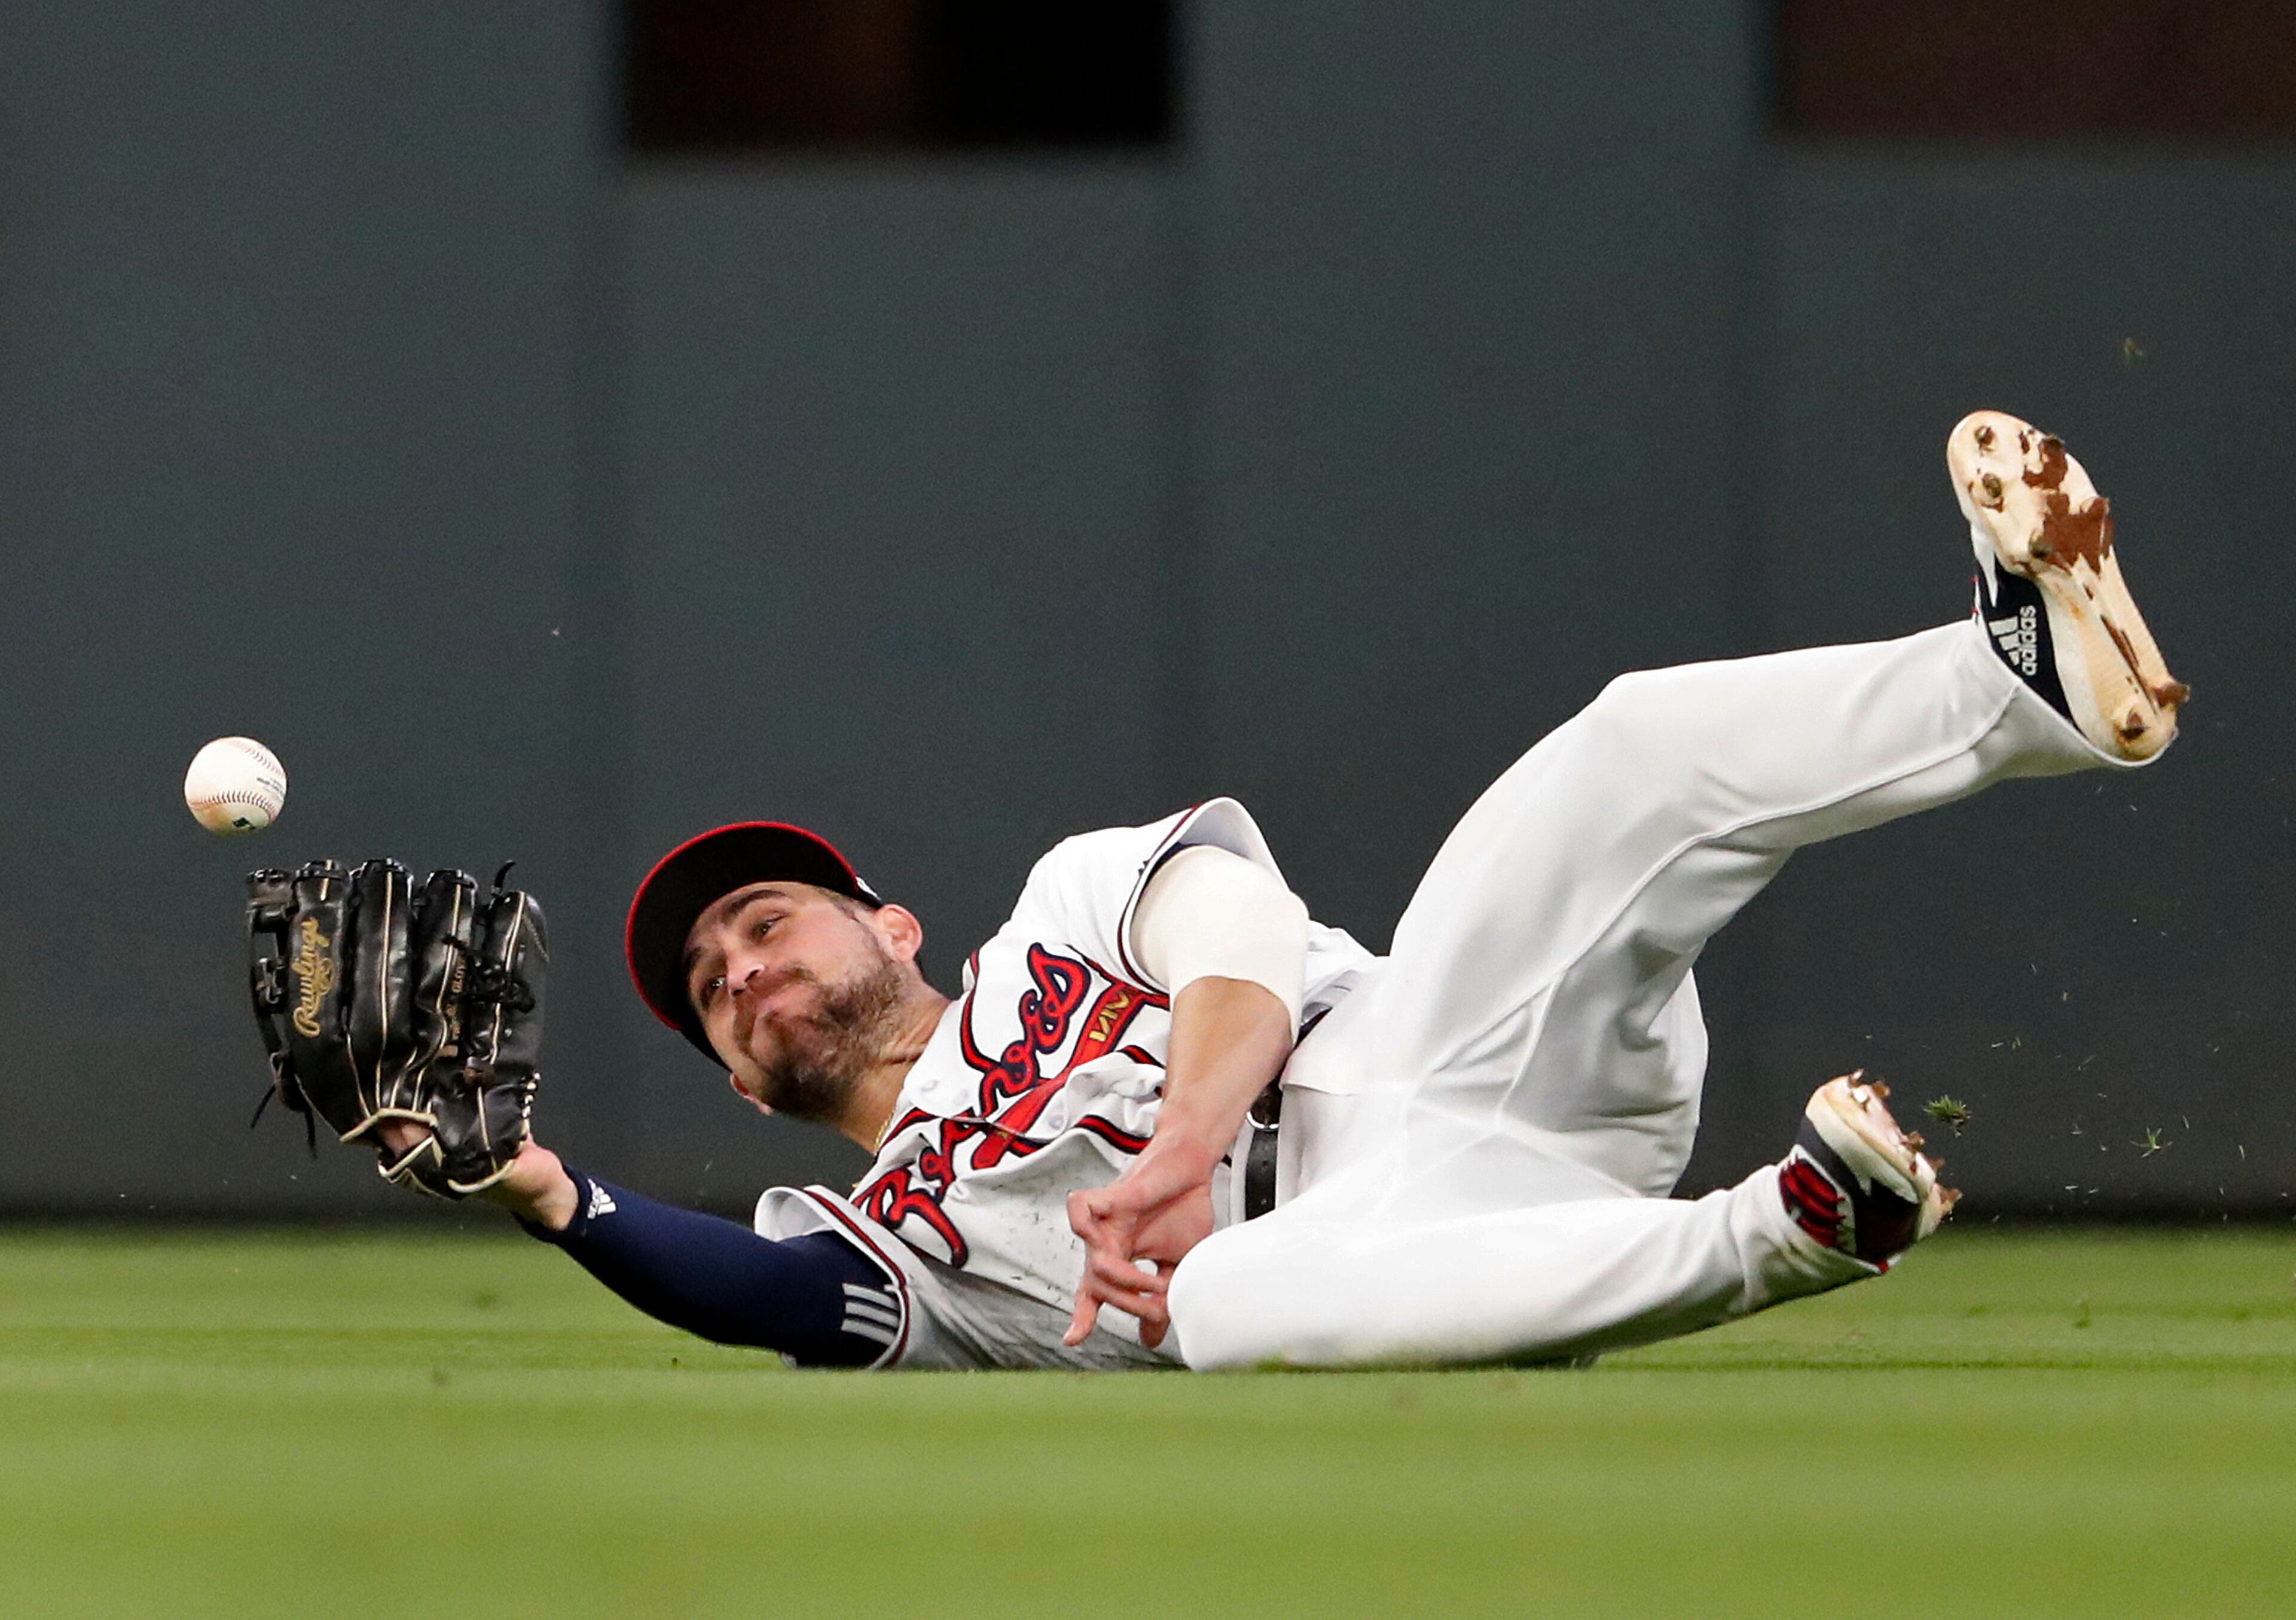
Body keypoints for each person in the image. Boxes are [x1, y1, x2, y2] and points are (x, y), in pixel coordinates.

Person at [455, 411, 2185, 1369]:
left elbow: (1237, 939)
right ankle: (1793, 1228)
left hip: (1436, 1051)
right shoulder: (894, 1241)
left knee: (1628, 749)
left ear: (891, 924)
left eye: (767, 921)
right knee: (1213, 1306)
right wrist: (545, 1191)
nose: (745, 970)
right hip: (1376, 1247)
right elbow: (769, 1306)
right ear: (746, 1084)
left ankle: (2012, 682)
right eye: (709, 991)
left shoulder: (1063, 904)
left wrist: (1189, 1134)